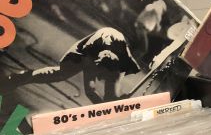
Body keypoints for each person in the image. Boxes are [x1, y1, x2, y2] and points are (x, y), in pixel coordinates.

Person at [0, 27, 140, 103]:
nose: (101, 79)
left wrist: (116, 103)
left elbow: (111, 99)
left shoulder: (121, 68)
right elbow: (90, 91)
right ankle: (19, 78)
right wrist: (103, 106)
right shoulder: (91, 57)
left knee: (111, 97)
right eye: (100, 75)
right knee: (61, 74)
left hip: (107, 54)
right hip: (86, 51)